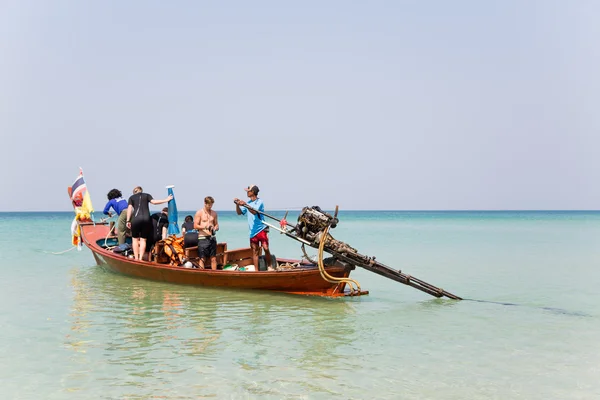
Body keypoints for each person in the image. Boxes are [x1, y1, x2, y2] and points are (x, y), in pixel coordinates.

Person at [126, 186, 172, 261]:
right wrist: (166, 200)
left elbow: (129, 209)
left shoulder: (131, 198)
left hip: (136, 219)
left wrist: (128, 220)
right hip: (146, 219)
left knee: (135, 239)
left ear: (134, 192)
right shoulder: (147, 195)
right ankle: (141, 258)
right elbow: (154, 202)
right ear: (141, 190)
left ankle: (136, 258)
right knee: (143, 239)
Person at [234, 184, 271, 271]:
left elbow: (254, 212)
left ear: (253, 192)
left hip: (261, 229)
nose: (247, 192)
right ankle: (256, 271)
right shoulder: (248, 203)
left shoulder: (260, 202)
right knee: (255, 251)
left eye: (248, 191)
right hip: (252, 232)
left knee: (266, 248)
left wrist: (245, 204)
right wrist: (237, 205)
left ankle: (270, 266)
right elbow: (239, 213)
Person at [194, 196, 219, 270]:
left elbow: (216, 224)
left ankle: (214, 275)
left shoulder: (214, 213)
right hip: (202, 238)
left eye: (211, 205)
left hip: (211, 238)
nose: (210, 206)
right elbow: (195, 225)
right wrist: (205, 227)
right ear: (205, 203)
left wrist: (216, 227)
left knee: (213, 258)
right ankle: (201, 275)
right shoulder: (199, 213)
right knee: (202, 258)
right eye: (209, 205)